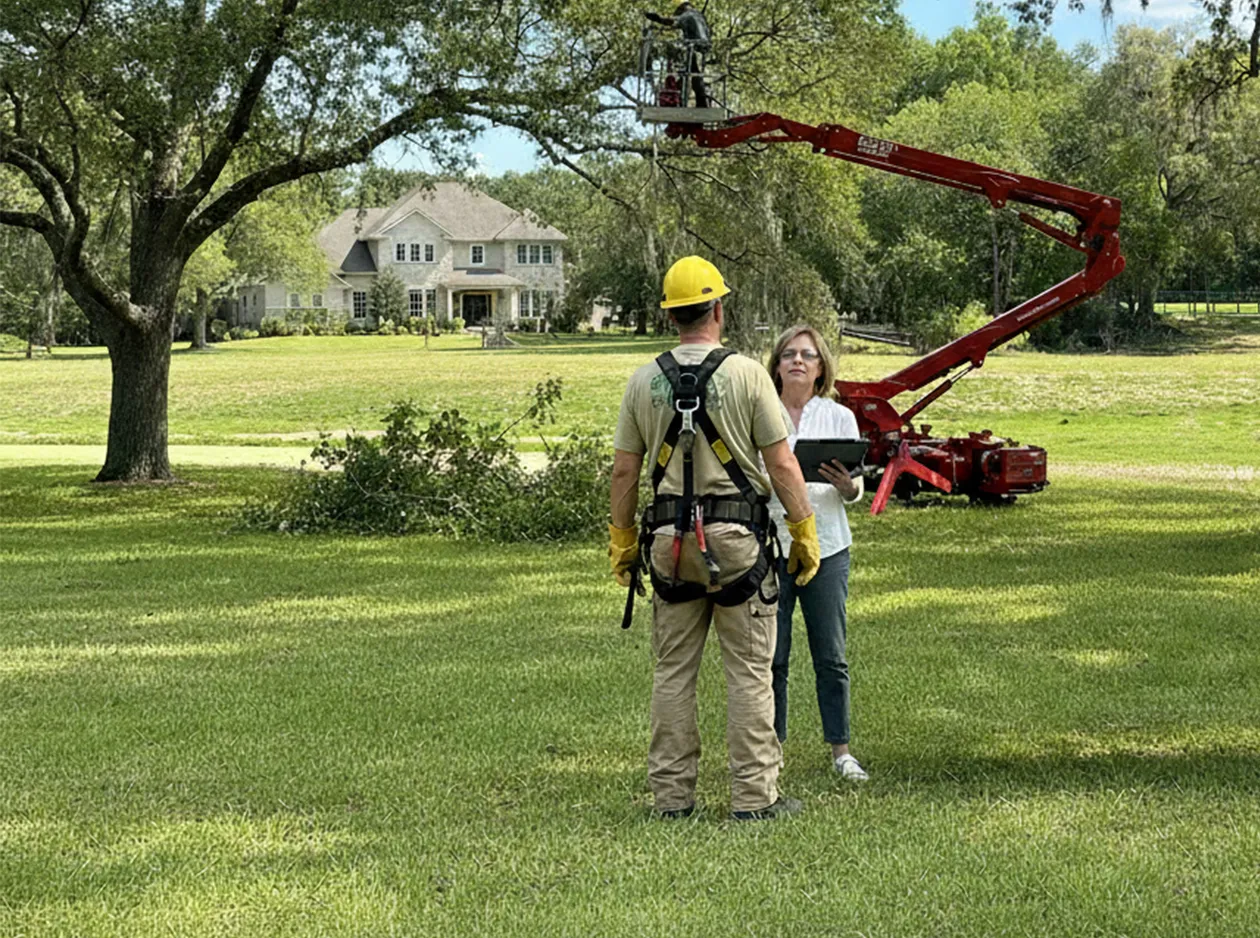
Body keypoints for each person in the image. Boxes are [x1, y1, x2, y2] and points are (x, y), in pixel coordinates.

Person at [608, 256, 822, 821]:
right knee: (750, 672)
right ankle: (755, 799)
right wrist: (803, 532)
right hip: (737, 542)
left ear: (672, 315)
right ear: (718, 310)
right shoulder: (748, 374)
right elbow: (781, 465)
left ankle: (672, 800)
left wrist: (622, 541)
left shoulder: (643, 380)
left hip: (668, 545)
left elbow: (625, 473)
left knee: (672, 673)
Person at [766, 324, 870, 782]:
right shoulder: (760, 413)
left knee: (830, 653)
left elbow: (856, 485)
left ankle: (841, 751)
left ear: (821, 366)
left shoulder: (838, 417)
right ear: (776, 364)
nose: (798, 361)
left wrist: (850, 487)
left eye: (807, 355)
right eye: (789, 354)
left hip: (828, 546)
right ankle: (769, 749)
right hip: (771, 545)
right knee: (773, 655)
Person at [643, 3, 712, 108]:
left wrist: (658, 18)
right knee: (695, 74)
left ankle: (697, 102)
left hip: (694, 45)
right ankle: (701, 101)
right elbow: (675, 25)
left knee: (692, 74)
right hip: (703, 46)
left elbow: (672, 21)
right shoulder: (700, 16)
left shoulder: (688, 14)